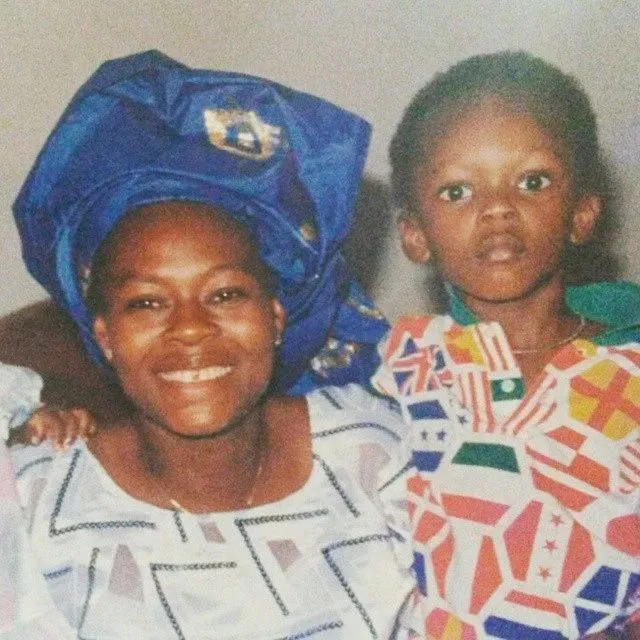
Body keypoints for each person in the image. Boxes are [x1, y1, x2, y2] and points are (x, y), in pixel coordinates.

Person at [4, 51, 413, 638]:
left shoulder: (379, 453)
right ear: (105, 337)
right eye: (146, 302)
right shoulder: (40, 504)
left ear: (275, 317)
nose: (190, 329)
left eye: (224, 294)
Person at [373, 51, 640, 639]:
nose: (497, 208)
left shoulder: (630, 373)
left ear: (582, 213)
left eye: (531, 181)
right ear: (415, 235)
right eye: (456, 191)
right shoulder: (397, 364)